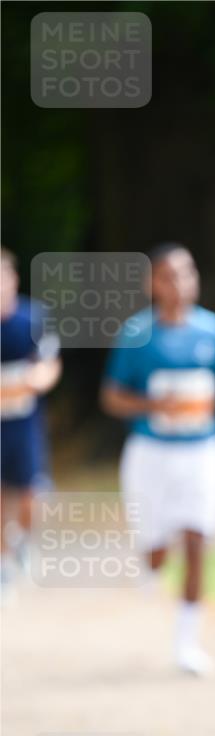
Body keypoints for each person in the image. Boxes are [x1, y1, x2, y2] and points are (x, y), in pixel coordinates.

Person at [100, 244, 215, 675]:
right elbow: (111, 396)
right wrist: (153, 407)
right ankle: (151, 555)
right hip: (150, 453)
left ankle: (187, 643)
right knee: (155, 547)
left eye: (188, 273)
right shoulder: (136, 334)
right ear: (153, 283)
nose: (181, 283)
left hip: (203, 449)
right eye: (170, 275)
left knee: (197, 536)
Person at [1, 247, 61, 596]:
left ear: (13, 279)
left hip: (25, 425)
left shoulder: (33, 318)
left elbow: (49, 363)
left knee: (30, 496)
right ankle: (2, 564)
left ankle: (23, 539)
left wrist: (39, 378)